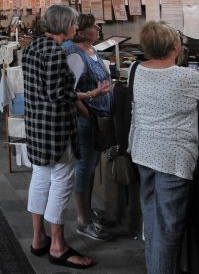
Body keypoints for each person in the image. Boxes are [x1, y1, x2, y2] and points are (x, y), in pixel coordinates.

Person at [130, 21, 199, 274]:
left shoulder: (136, 69)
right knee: (169, 228)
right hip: (173, 157)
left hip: (143, 151)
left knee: (152, 221)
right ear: (174, 45)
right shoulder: (185, 76)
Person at [23, 4, 111, 270]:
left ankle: (39, 238)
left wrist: (80, 95)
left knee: (40, 178)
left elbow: (48, 90)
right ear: (63, 24)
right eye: (73, 23)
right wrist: (87, 98)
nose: (76, 27)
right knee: (61, 182)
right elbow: (58, 95)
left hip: (37, 125)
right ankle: (58, 246)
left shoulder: (33, 46)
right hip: (56, 129)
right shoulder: (55, 53)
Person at [65, 14, 114, 242]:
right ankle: (83, 221)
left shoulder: (94, 52)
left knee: (92, 165)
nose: (98, 29)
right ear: (81, 32)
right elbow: (70, 92)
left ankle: (88, 210)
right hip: (86, 120)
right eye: (94, 26)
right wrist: (86, 112)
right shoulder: (74, 54)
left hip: (99, 118)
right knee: (85, 167)